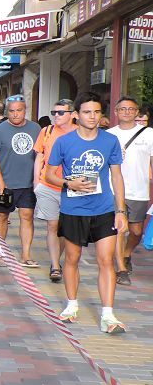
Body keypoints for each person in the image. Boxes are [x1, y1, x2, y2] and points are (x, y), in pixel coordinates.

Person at [46, 92, 128, 334]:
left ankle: (108, 315)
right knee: (72, 258)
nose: (92, 116)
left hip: (104, 208)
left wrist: (120, 210)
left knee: (106, 260)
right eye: (86, 112)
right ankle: (72, 305)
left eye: (96, 112)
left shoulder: (110, 141)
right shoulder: (63, 142)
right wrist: (68, 183)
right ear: (76, 115)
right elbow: (49, 174)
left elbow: (116, 176)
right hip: (74, 209)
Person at [0, 95, 42, 267]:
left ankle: (25, 254)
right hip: (5, 184)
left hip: (28, 184)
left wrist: (38, 180)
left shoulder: (36, 128)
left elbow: (41, 154)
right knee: (2, 216)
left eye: (19, 110)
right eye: (12, 111)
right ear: (7, 112)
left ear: (25, 110)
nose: (16, 114)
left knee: (27, 216)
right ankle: (1, 251)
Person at [107, 96, 153, 285]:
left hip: (139, 190)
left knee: (135, 231)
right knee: (120, 229)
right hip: (113, 190)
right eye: (122, 109)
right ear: (116, 112)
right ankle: (121, 269)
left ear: (137, 112)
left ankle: (126, 253)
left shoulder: (148, 133)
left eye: (130, 109)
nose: (126, 112)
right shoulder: (109, 134)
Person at [33, 99, 75, 282]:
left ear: (72, 115)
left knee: (65, 229)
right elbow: (39, 157)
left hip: (72, 188)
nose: (56, 116)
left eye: (60, 112)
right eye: (54, 112)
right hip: (48, 185)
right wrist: (36, 183)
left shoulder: (80, 134)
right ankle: (55, 265)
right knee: (52, 225)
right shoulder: (47, 131)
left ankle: (57, 258)